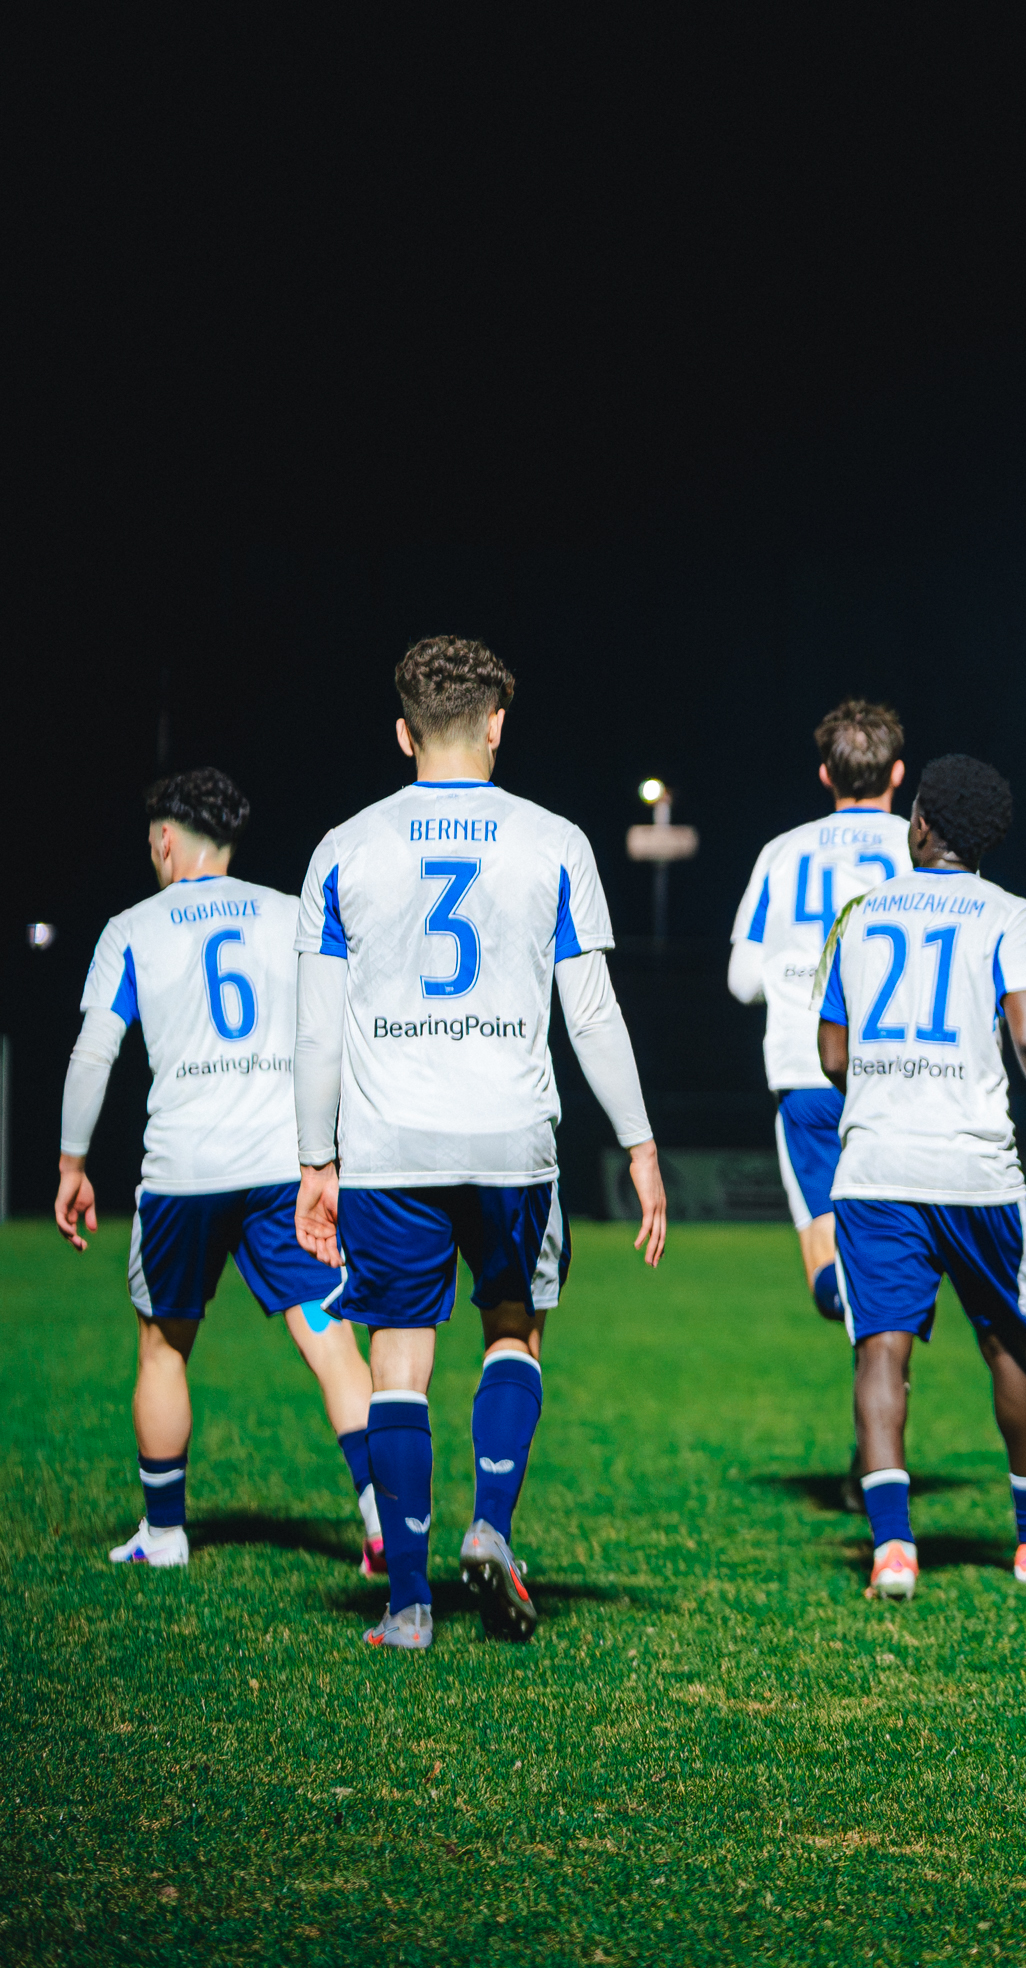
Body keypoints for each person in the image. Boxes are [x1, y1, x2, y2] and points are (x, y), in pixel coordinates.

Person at [293, 636, 670, 1651]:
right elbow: (590, 1012)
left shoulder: (344, 846)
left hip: (390, 1143)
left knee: (398, 1363)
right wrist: (638, 1143)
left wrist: (314, 1160)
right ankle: (492, 1525)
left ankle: (409, 1604)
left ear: (405, 731)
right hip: (511, 1140)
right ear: (497, 723)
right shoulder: (552, 839)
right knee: (514, 1324)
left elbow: (317, 1026)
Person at [55, 769, 380, 1573]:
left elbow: (95, 1051)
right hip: (280, 1170)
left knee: (165, 1348)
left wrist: (72, 1162)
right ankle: (385, 1524)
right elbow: (333, 1033)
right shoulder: (284, 915)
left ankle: (164, 1534)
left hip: (182, 1172)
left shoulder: (132, 928)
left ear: (165, 840)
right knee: (332, 1340)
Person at [814, 753, 1026, 1599]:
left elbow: (832, 1050)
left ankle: (894, 1550)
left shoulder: (859, 912)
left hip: (875, 1165)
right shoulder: (1008, 913)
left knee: (881, 1350)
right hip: (975, 1165)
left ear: (924, 824)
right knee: (1006, 1343)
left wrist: (883, 1085)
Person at [730, 700, 913, 1334]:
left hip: (806, 1066)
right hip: (904, 1065)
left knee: (831, 1260)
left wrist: (796, 981)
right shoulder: (923, 844)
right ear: (896, 773)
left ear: (825, 776)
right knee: (898, 1248)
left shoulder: (783, 851)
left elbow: (741, 979)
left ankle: (868, 1351)